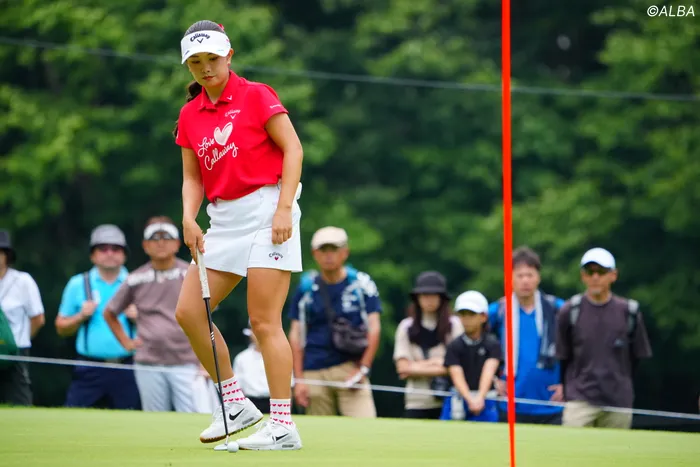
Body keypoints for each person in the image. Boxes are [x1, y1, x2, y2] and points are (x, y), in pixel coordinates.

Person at [173, 20, 304, 451]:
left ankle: (282, 426)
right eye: (195, 62)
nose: (205, 68)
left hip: (268, 211)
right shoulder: (190, 114)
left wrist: (284, 207)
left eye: (212, 58)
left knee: (263, 321)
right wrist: (189, 218)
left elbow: (293, 149)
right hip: (223, 219)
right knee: (189, 312)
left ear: (229, 56)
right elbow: (193, 177)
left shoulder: (256, 95)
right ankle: (233, 401)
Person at [104, 217, 201, 413]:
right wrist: (126, 342)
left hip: (188, 360)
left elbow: (207, 317)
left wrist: (207, 363)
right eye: (154, 238)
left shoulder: (192, 274)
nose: (161, 243)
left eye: (167, 238)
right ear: (145, 246)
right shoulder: (136, 278)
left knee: (192, 415)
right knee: (155, 417)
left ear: (177, 243)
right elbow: (110, 312)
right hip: (148, 361)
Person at [288, 226, 382, 418]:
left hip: (350, 368)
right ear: (315, 254)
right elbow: (296, 334)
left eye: (334, 249)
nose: (328, 255)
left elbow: (374, 327)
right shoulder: (306, 287)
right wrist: (299, 379)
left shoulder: (361, 284)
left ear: (345, 252)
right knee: (320, 432)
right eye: (323, 250)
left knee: (366, 427)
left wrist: (363, 367)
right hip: (313, 371)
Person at [556, 247, 652, 429]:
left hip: (618, 401)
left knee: (616, 448)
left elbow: (637, 357)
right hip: (579, 399)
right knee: (572, 446)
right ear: (583, 276)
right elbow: (563, 355)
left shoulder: (629, 312)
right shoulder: (570, 311)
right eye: (589, 272)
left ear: (613, 275)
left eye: (601, 272)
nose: (595, 277)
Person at [55, 224, 140, 409]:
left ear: (124, 254)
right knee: (72, 417)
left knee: (130, 421)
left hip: (127, 366)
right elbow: (61, 328)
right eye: (103, 248)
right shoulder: (78, 284)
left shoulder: (137, 282)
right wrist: (80, 316)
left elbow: (161, 327)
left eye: (116, 248)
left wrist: (139, 318)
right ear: (92, 255)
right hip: (88, 368)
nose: (109, 253)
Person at [488, 246, 566, 424]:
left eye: (530, 275)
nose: (525, 281)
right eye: (519, 275)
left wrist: (568, 384)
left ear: (538, 277)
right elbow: (477, 344)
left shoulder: (557, 309)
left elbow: (577, 347)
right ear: (510, 278)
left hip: (551, 404)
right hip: (509, 404)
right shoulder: (498, 311)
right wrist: (493, 380)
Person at [393, 271, 464, 419]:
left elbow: (459, 365)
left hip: (450, 400)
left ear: (441, 298)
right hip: (416, 401)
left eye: (434, 295)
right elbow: (403, 368)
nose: (429, 300)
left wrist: (417, 366)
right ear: (417, 298)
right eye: (425, 295)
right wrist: (439, 363)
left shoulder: (454, 325)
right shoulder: (406, 327)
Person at [440, 291, 502, 422]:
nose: (467, 319)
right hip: (458, 399)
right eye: (463, 314)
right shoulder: (454, 345)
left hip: (486, 399)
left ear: (483, 317)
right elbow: (456, 374)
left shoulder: (492, 344)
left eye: (472, 314)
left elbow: (489, 371)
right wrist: (469, 399)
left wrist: (479, 398)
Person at [0, 230, 45, 405]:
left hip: (16, 351)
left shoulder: (23, 281)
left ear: (7, 256)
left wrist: (19, 341)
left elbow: (38, 319)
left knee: (19, 401)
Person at [233, 322, 271, 413]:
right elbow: (238, 388)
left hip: (273, 403)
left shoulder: (278, 357)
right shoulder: (241, 358)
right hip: (250, 403)